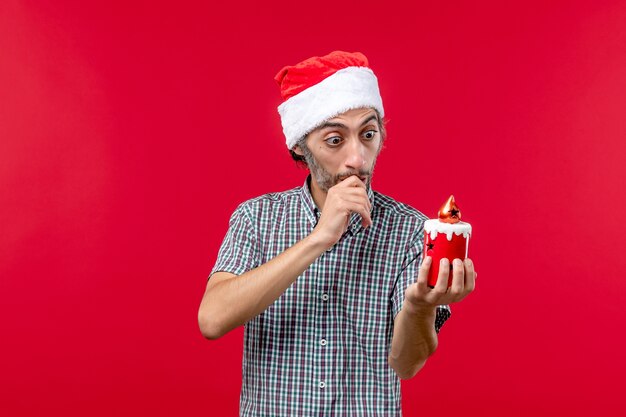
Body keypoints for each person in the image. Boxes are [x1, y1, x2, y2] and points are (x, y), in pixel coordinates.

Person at [198, 51, 476, 417]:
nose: (358, 159)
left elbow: (407, 364)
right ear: (300, 145)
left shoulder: (411, 231)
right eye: (334, 140)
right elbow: (212, 320)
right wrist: (319, 238)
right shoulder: (256, 218)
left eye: (368, 134)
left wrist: (419, 306)